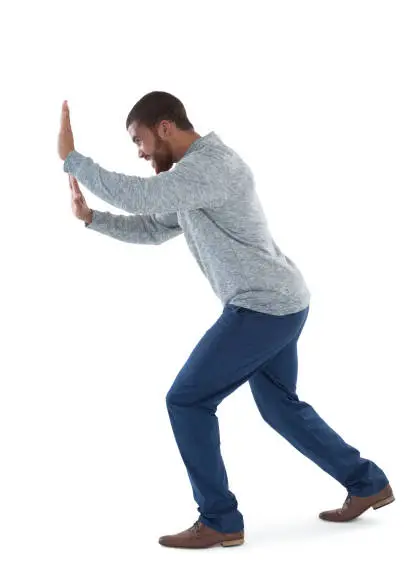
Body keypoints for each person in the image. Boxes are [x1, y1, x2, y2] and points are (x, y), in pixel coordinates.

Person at [61, 92, 394, 550]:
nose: (138, 153)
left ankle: (219, 519)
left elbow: (137, 195)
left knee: (187, 400)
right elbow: (156, 226)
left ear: (164, 128)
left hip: (261, 307)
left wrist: (72, 160)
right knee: (279, 407)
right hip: (280, 303)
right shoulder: (189, 180)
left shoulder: (211, 166)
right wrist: (92, 218)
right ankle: (367, 482)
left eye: (139, 140)